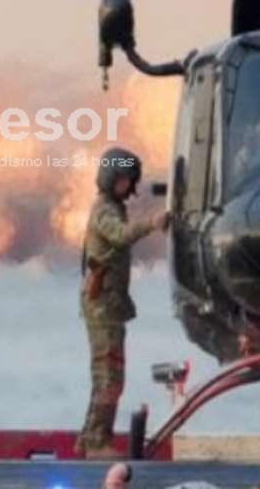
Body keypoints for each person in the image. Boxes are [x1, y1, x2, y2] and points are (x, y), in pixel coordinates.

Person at [76, 148, 169, 460]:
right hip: (103, 304)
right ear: (111, 179)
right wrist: (152, 223)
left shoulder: (111, 206)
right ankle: (96, 442)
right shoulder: (105, 211)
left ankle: (91, 438)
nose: (129, 187)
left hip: (108, 304)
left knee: (106, 373)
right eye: (125, 180)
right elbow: (120, 235)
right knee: (109, 376)